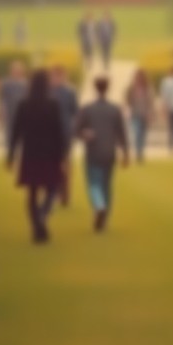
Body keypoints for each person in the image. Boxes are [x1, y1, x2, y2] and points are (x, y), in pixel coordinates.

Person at [6, 70, 70, 244]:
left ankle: (36, 224)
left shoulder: (24, 105)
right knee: (52, 188)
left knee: (32, 192)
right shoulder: (53, 105)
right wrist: (63, 155)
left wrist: (11, 156)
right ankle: (41, 218)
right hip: (50, 154)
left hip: (31, 154)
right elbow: (59, 132)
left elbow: (16, 133)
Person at [73, 76, 130, 232]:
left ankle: (99, 206)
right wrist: (125, 153)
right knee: (106, 185)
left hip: (94, 151)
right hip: (109, 152)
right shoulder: (115, 109)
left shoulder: (87, 109)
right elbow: (122, 133)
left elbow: (76, 130)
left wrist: (85, 134)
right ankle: (104, 214)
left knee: (94, 184)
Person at [50, 65, 80, 205]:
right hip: (50, 133)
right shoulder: (47, 91)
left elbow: (75, 111)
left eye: (59, 76)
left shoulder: (70, 92)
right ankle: (54, 192)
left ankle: (65, 194)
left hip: (65, 133)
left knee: (66, 165)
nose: (56, 79)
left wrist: (74, 128)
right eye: (54, 76)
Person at [124, 68, 154, 164]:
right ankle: (138, 152)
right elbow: (127, 100)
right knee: (137, 133)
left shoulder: (148, 89)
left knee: (143, 135)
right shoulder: (131, 88)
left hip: (144, 114)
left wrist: (150, 113)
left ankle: (141, 152)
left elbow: (151, 103)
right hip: (135, 114)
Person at [0, 60, 28, 146]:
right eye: (15, 70)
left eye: (19, 70)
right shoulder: (5, 83)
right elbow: (1, 98)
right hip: (10, 111)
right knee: (10, 133)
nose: (17, 72)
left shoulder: (25, 83)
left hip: (22, 113)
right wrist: (0, 110)